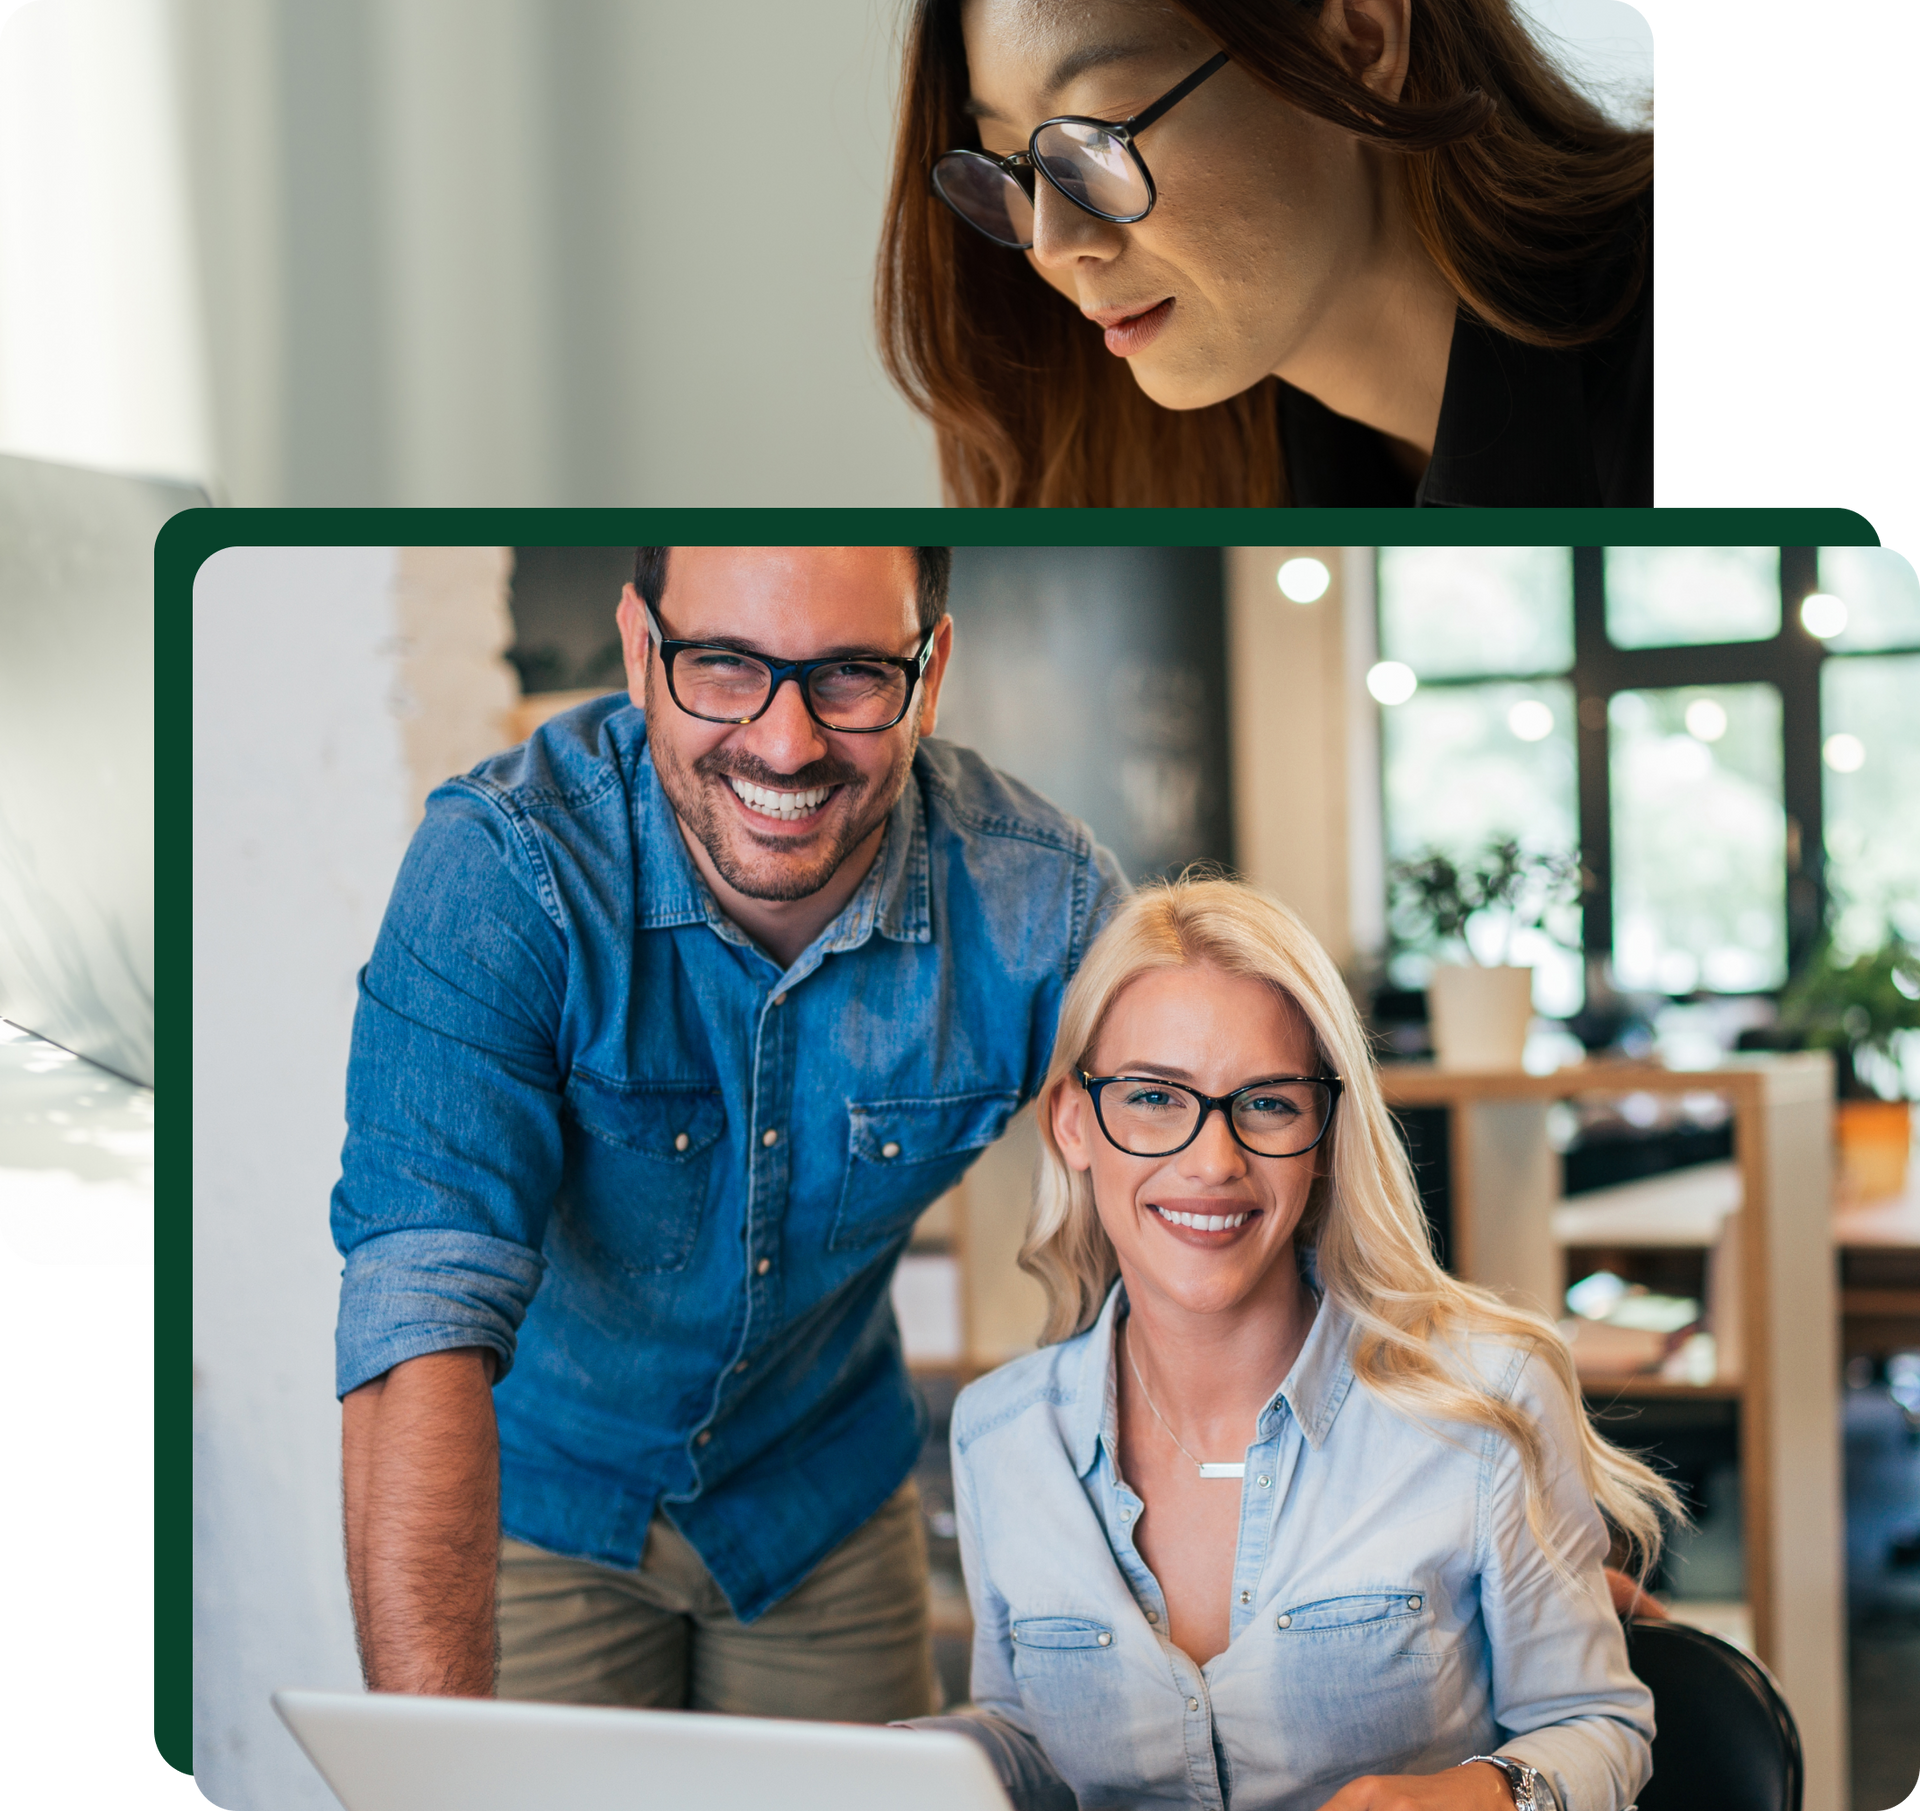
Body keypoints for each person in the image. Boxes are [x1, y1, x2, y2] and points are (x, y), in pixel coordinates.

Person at [333, 545, 1128, 1720]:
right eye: (722, 664)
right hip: (537, 1497)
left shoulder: (1038, 903)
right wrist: (430, 1763)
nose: (787, 743)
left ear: (931, 670)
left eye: (852, 672)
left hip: (823, 1500)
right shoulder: (506, 867)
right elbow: (420, 1318)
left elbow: (1202, 1175)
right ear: (640, 649)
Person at [904, 876, 1679, 1809]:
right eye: (1154, 1096)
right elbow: (1030, 1740)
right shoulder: (1000, 1433)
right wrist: (880, 1762)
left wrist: (1467, 1796)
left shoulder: (1487, 1398)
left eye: (1268, 1103)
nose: (1213, 1161)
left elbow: (1597, 1723)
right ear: (1073, 1121)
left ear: (1323, 1132)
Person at [877, 0, 1654, 507]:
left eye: (1100, 137)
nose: (1054, 243)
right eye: (1011, 162)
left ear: (1358, 40)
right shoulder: (1193, 476)